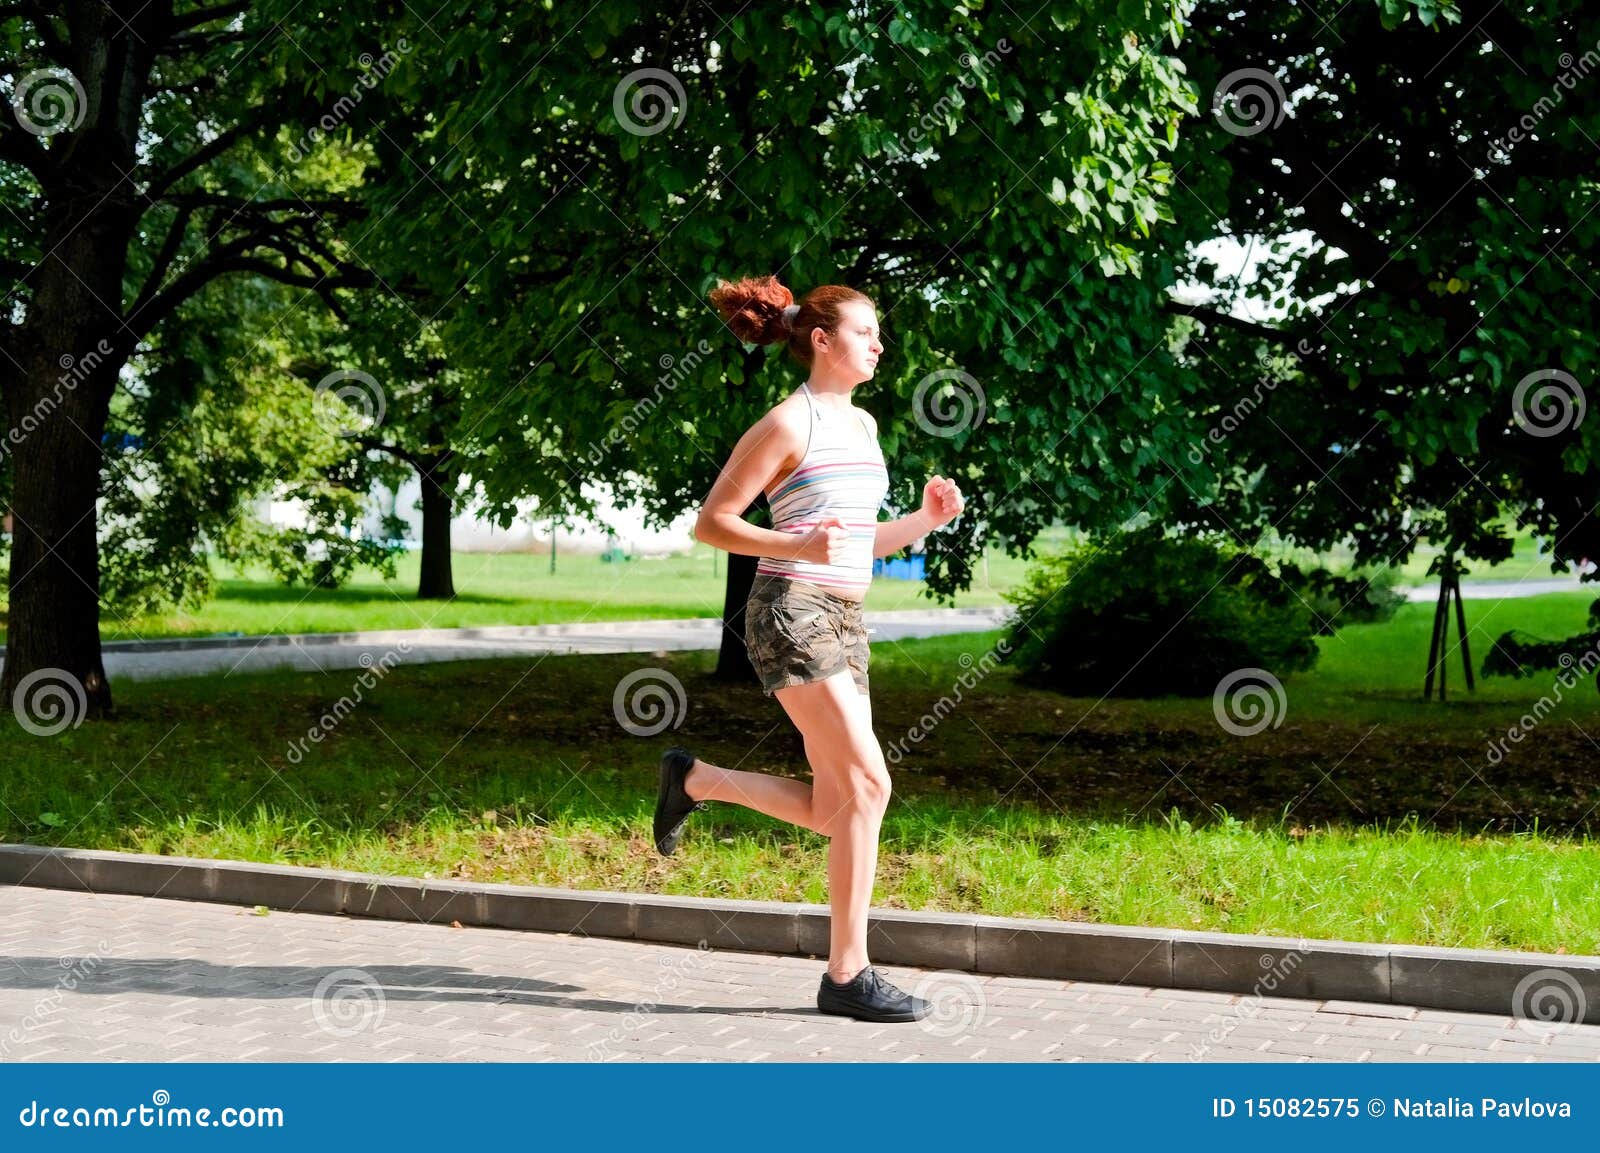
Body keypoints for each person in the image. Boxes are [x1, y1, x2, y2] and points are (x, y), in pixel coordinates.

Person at [652, 274, 964, 1023]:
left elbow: (857, 542)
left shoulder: (862, 426)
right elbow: (712, 521)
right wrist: (795, 540)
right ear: (821, 341)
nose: (879, 343)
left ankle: (695, 780)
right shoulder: (786, 424)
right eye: (865, 332)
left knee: (838, 804)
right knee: (871, 785)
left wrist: (923, 520)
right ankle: (847, 972)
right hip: (790, 610)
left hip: (846, 618)